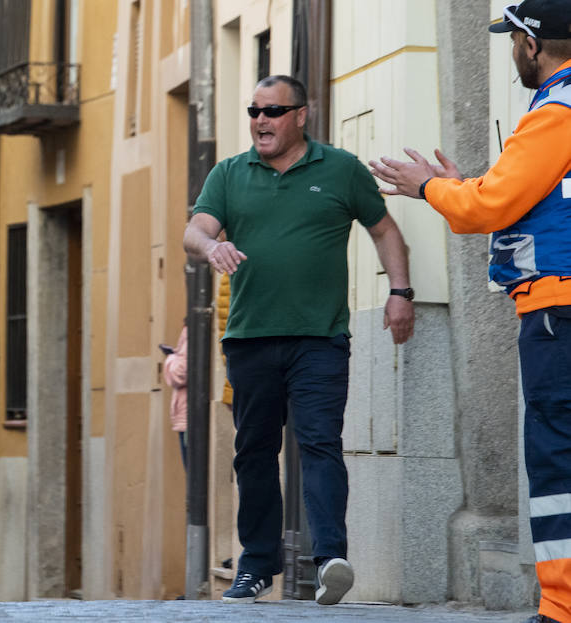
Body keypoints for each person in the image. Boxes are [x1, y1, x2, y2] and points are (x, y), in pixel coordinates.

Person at [369, 2, 571, 621]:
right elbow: (512, 197)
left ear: (533, 44)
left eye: (513, 39)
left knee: (558, 458)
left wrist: (429, 188)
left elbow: (488, 206)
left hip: (557, 311)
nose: (512, 52)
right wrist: (464, 189)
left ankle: (562, 606)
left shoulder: (558, 109)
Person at [184, 75, 415, 605]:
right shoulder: (229, 173)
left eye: (273, 111)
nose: (260, 121)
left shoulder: (340, 170)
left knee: (319, 444)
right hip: (250, 339)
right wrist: (209, 247)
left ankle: (330, 556)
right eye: (254, 111)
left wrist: (400, 292)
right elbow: (195, 230)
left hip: (320, 338)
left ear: (301, 116)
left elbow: (383, 230)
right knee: (254, 452)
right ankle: (258, 565)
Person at [162, 324, 188, 468]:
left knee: (191, 470)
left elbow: (179, 373)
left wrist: (171, 358)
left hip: (188, 415)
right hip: (188, 414)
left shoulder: (190, 330)